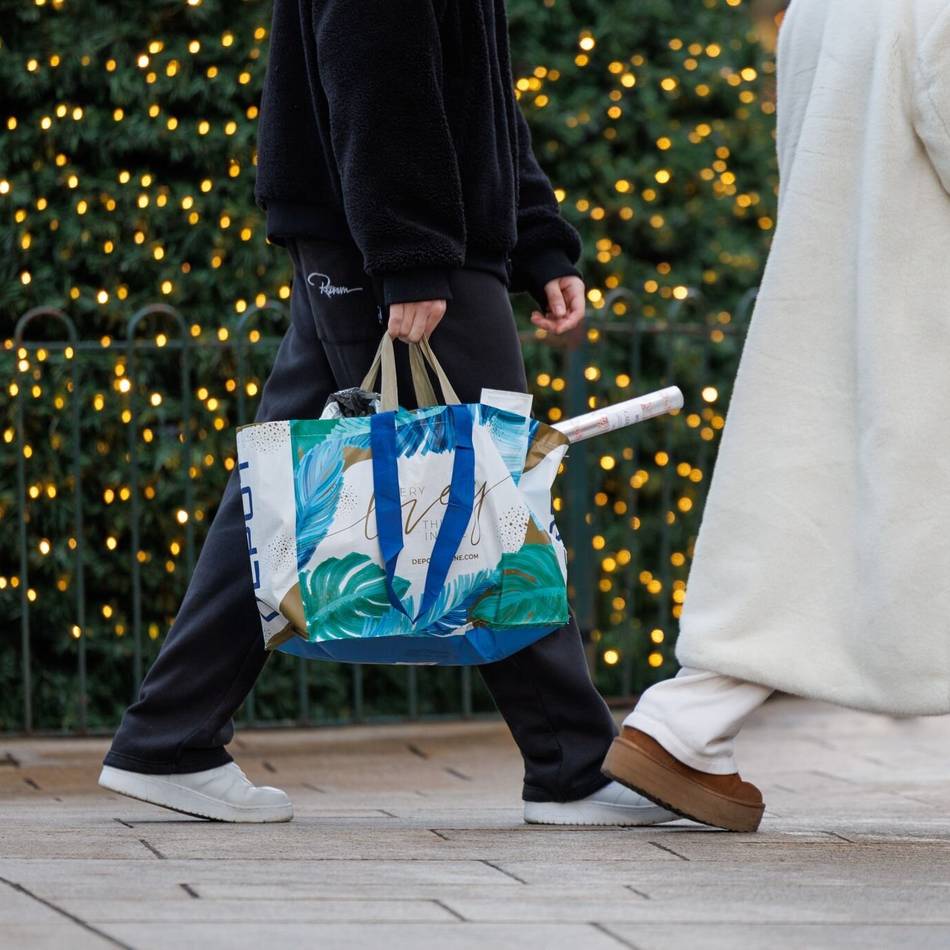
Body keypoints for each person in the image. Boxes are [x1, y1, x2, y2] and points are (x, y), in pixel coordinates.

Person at [98, 0, 677, 827]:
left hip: (387, 240)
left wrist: (539, 237)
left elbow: (478, 92)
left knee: (282, 495)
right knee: (492, 493)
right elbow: (375, 65)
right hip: (396, 245)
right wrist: (409, 254)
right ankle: (571, 767)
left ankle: (170, 737)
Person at [603, 0, 950, 832]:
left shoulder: (818, 9)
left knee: (804, 529)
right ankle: (682, 725)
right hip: (922, 311)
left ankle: (683, 723)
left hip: (834, 303)